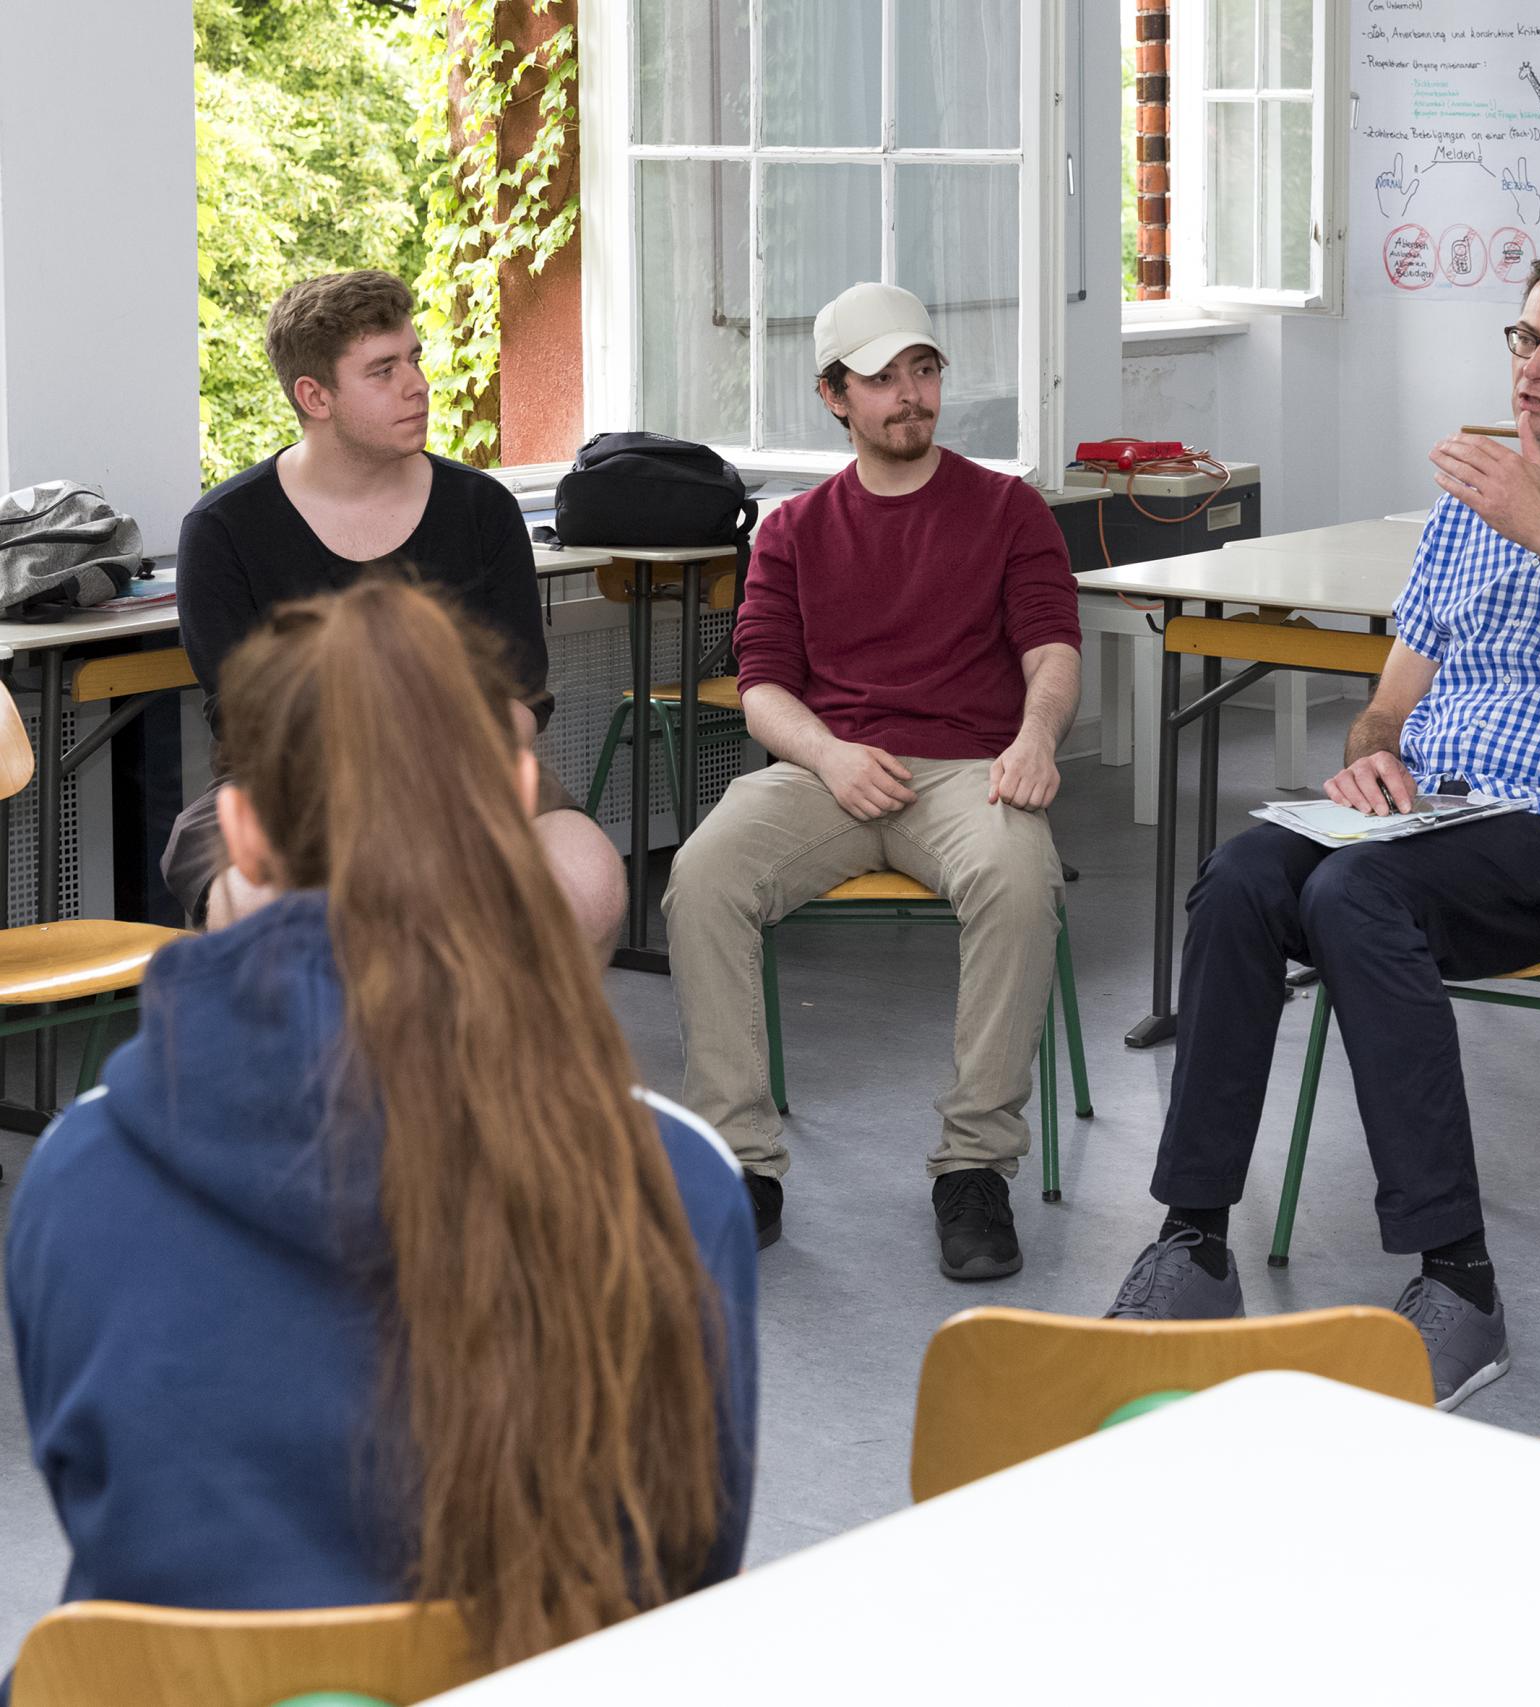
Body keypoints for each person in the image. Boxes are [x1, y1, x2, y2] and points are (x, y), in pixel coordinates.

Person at [7, 581, 756, 1676]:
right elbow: (695, 1573)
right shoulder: (676, 1178)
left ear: (240, 833)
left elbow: (100, 1509)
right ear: (515, 802)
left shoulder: (78, 1174)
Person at [1099, 248, 1540, 1410]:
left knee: (1353, 899)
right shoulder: (1462, 511)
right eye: (1525, 339)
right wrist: (1372, 756)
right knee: (1241, 876)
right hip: (1429, 816)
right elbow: (1387, 705)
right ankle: (1192, 1243)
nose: (1533, 368)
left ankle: (1460, 1284)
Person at [662, 281, 1081, 1264]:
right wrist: (828, 754)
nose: (910, 395)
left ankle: (974, 1168)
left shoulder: (1006, 509)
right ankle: (741, 1163)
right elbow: (763, 687)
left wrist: (1036, 739)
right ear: (834, 395)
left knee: (1021, 881)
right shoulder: (793, 530)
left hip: (970, 768)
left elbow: (1052, 649)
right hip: (829, 769)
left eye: (923, 371)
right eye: (883, 378)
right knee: (703, 875)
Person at [167, 270, 625, 946]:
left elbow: (520, 696)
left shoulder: (481, 509)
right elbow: (251, 724)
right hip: (289, 790)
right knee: (263, 904)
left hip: (471, 773)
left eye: (414, 358)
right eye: (383, 371)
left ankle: (511, 1021)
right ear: (314, 396)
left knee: (588, 878)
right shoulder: (223, 530)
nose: (417, 385)